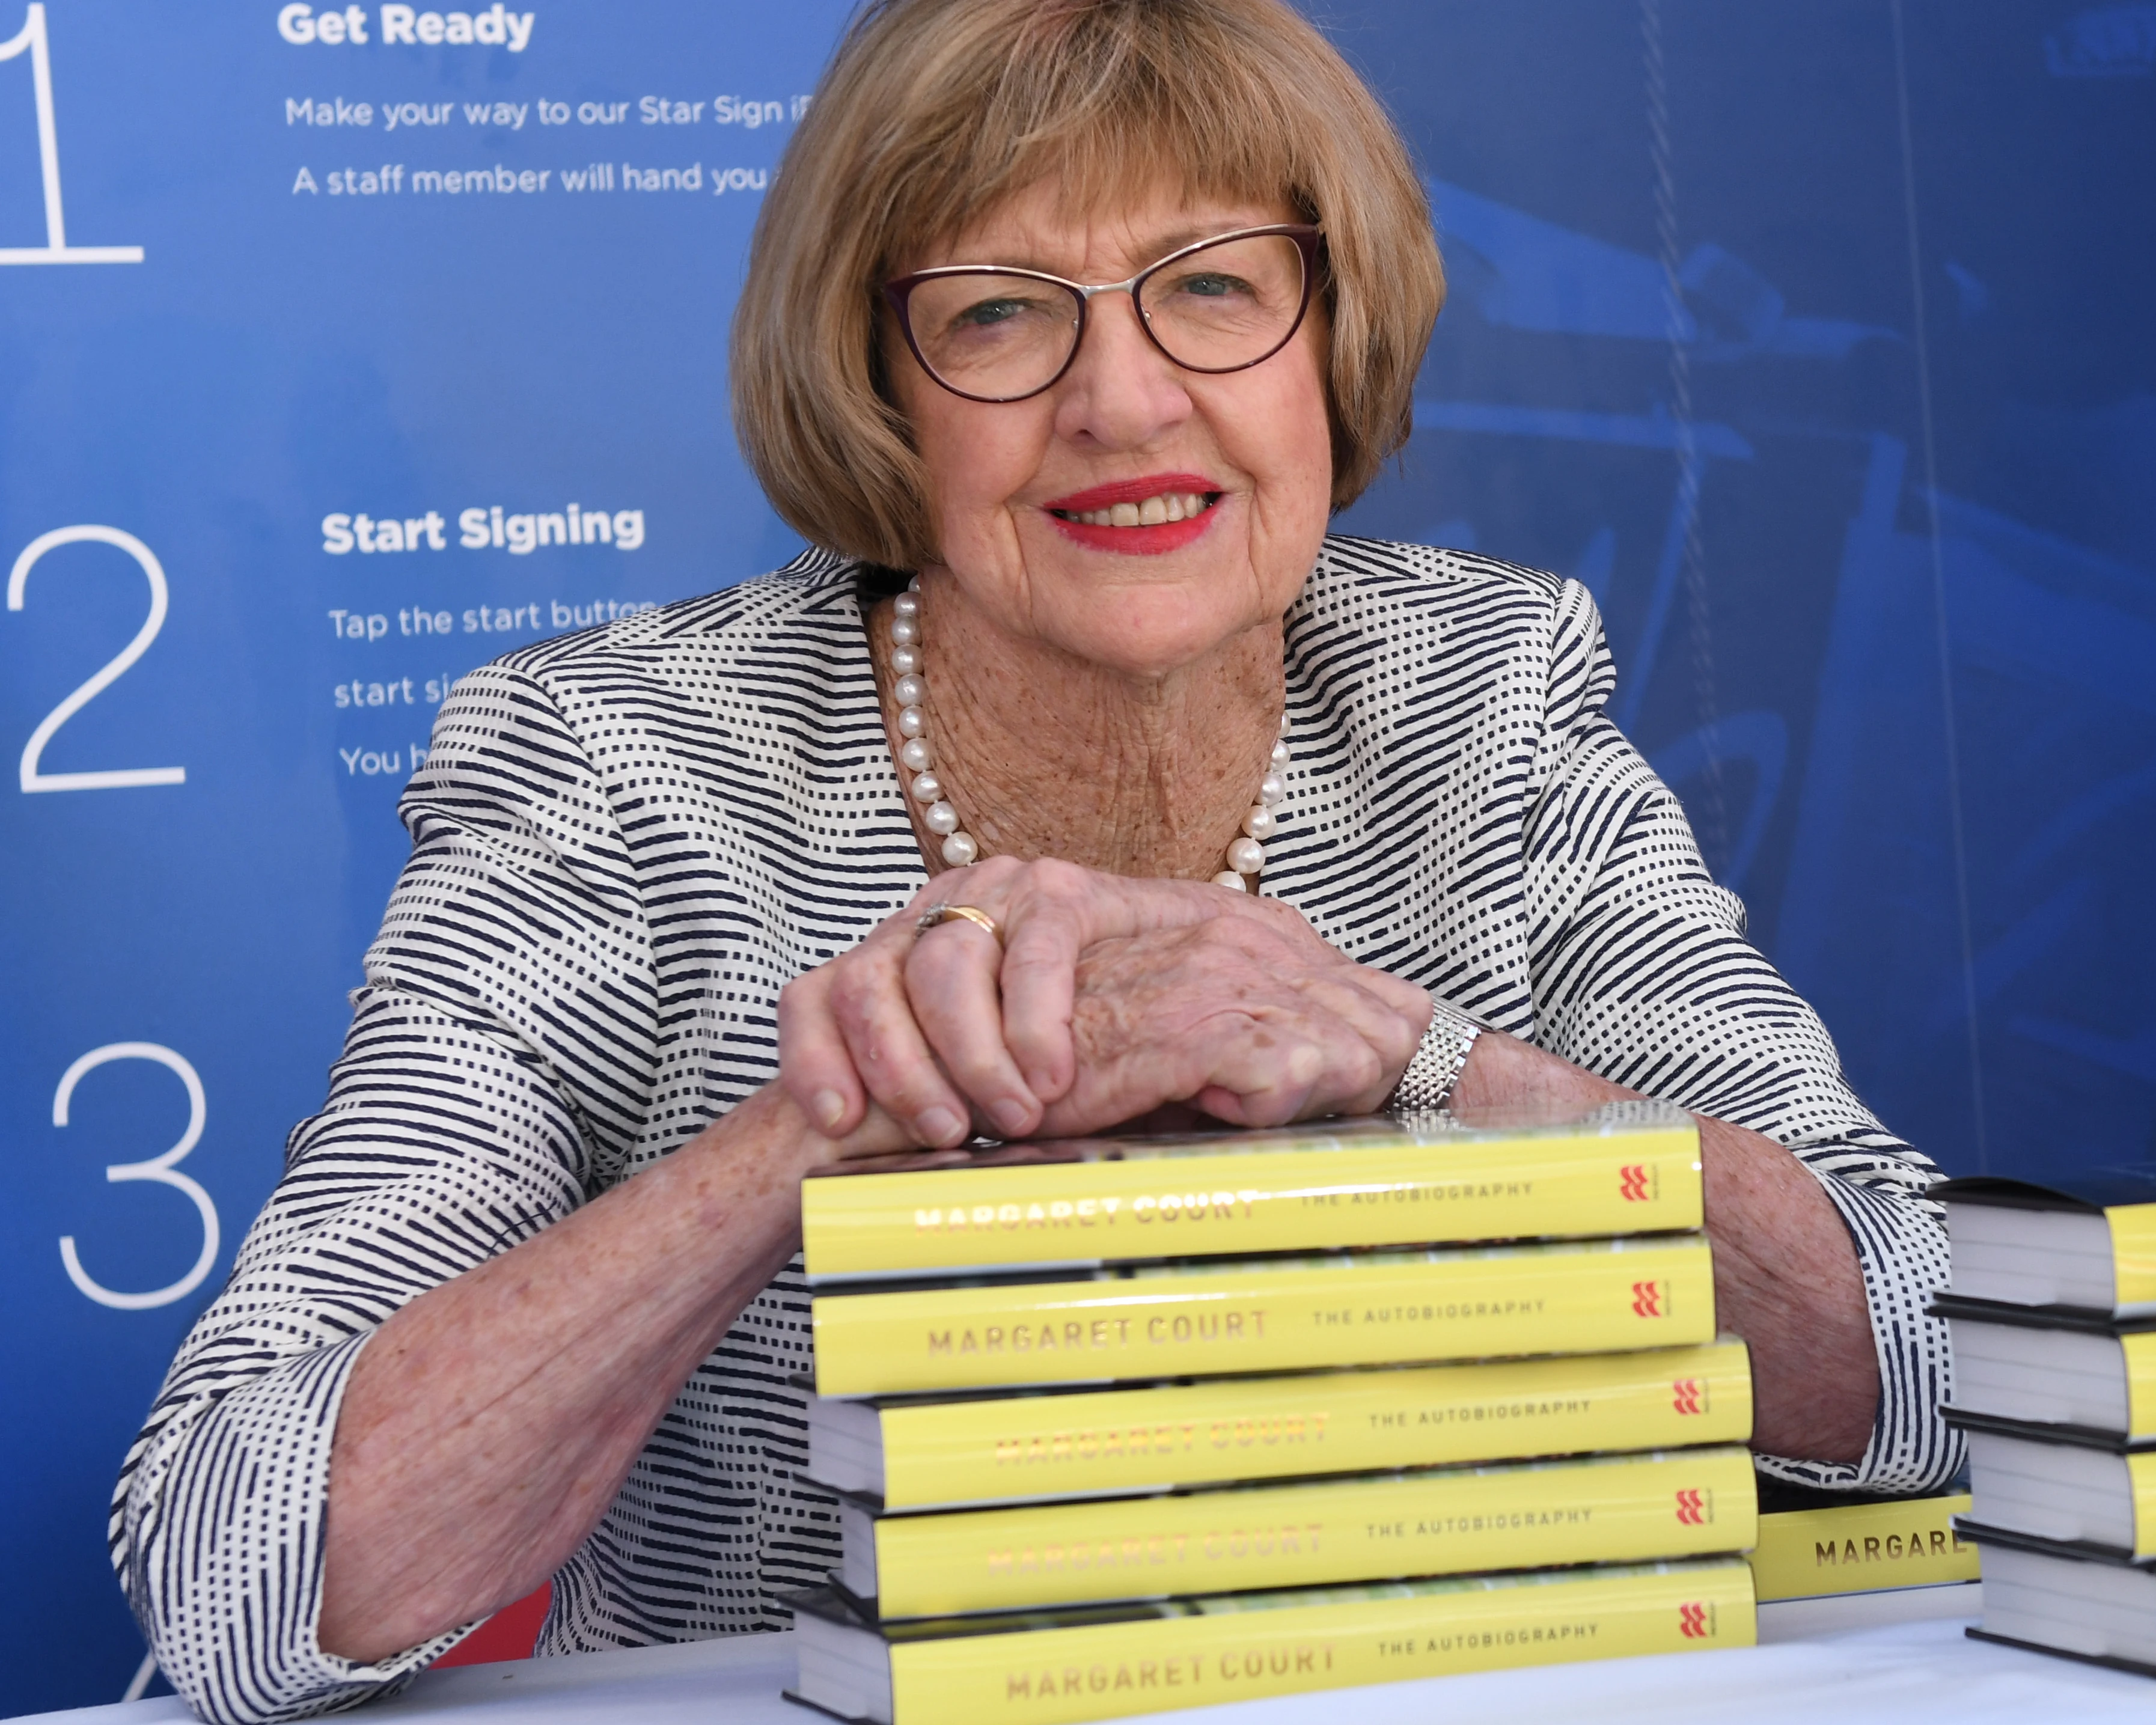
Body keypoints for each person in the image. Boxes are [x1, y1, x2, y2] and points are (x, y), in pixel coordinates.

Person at [109, 3, 1959, 1718]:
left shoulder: (1474, 689)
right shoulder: (622, 763)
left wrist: (1426, 1056)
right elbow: (230, 1561)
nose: (1126, 401)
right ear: (875, 383)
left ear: (1333, 337)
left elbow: (1927, 1364)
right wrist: (824, 1117)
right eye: (998, 313)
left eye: (1213, 287)